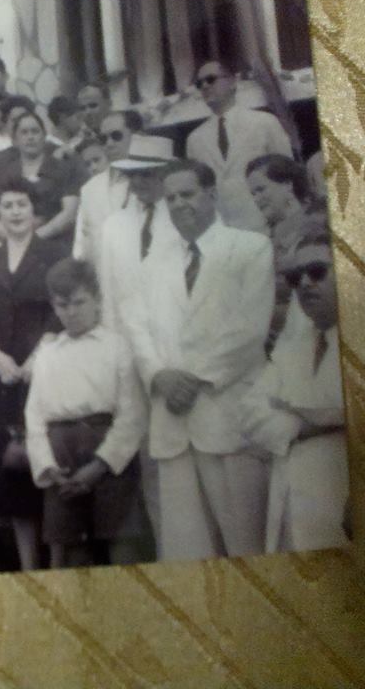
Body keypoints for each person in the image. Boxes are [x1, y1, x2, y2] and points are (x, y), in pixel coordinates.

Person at [122, 159, 274, 561]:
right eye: (170, 198)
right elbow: (136, 327)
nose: (178, 204)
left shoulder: (249, 248)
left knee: (247, 547)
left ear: (211, 193)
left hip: (228, 415)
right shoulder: (153, 264)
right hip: (172, 422)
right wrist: (159, 376)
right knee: (187, 552)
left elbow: (249, 330)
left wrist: (192, 379)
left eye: (187, 194)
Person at [25, 258, 149, 568]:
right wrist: (48, 466)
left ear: (97, 301)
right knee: (72, 553)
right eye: (62, 305)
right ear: (54, 306)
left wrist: (100, 465)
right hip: (61, 460)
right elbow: (35, 418)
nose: (71, 312)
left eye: (80, 302)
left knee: (121, 547)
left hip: (108, 458)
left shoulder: (116, 347)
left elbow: (132, 414)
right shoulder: (48, 354)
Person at [0, 178, 64, 570]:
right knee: (11, 478)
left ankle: (57, 567)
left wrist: (35, 360)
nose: (15, 212)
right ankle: (27, 568)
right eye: (7, 205)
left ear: (34, 209)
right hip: (0, 382)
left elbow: (58, 313)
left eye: (22, 204)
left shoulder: (55, 254)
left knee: (48, 471)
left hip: (44, 375)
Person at [245, 228, 347, 552]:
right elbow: (250, 415)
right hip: (291, 506)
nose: (304, 283)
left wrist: (291, 412)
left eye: (317, 271)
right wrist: (313, 423)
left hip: (345, 497)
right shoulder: (291, 349)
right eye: (294, 276)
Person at [185, 59, 293, 233]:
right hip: (225, 235)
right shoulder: (195, 139)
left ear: (232, 82)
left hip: (267, 228)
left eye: (211, 79)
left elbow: (288, 174)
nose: (204, 86)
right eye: (199, 83)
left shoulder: (264, 122)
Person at [246, 153, 327, 351]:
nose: (256, 199)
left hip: (307, 336)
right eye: (252, 194)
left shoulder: (316, 225)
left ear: (288, 185)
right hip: (274, 338)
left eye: (261, 189)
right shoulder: (268, 237)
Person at [97, 133, 176, 330]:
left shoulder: (182, 221)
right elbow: (108, 287)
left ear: (166, 175)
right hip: (130, 332)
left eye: (147, 174)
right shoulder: (114, 225)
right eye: (133, 175)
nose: (138, 182)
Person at [0, 111, 86, 254]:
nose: (30, 137)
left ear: (44, 137)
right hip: (14, 249)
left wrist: (33, 238)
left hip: (55, 247)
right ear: (15, 140)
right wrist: (13, 239)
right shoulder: (4, 173)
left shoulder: (63, 169)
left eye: (35, 131)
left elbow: (69, 214)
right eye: (24, 132)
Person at [72, 111, 142, 269]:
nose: (109, 143)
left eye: (116, 136)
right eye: (103, 139)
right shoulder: (89, 190)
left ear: (136, 135)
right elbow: (81, 246)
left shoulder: (156, 179)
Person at [46, 95, 88, 160]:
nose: (83, 124)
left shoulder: (81, 143)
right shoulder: (46, 146)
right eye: (78, 117)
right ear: (62, 117)